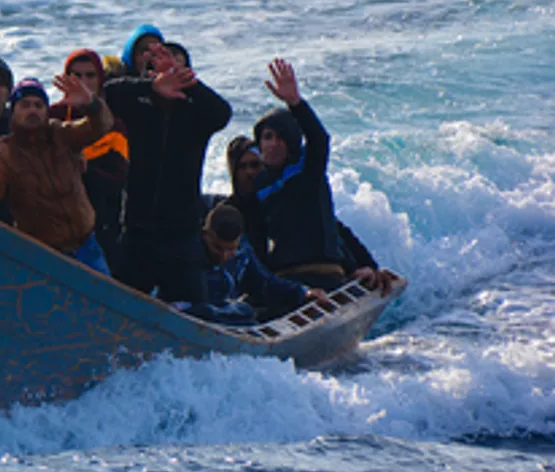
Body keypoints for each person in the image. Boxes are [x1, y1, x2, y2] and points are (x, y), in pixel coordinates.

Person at [102, 25, 232, 302]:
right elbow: (108, 92)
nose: (169, 74)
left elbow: (223, 113)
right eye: (161, 67)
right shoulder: (139, 108)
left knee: (194, 313)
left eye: (177, 68)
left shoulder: (196, 116)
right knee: (119, 308)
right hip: (137, 232)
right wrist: (152, 86)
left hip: (182, 235)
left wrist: (190, 84)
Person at [254, 58, 394, 293]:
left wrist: (295, 103)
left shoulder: (306, 171)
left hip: (323, 274)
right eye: (267, 137)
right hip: (283, 281)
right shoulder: (256, 184)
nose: (273, 145)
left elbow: (319, 139)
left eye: (281, 138)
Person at [0, 75, 114, 274]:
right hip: (45, 256)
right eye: (25, 105)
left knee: (106, 303)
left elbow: (102, 125)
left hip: (87, 246)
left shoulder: (60, 134)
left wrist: (91, 104)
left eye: (39, 105)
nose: (32, 110)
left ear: (47, 111)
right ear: (13, 112)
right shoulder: (5, 153)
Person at [176, 205, 332, 325]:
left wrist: (303, 292)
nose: (223, 255)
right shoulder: (187, 254)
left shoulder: (242, 255)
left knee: (246, 312)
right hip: (190, 312)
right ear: (205, 235)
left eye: (230, 249)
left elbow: (266, 282)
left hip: (226, 317)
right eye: (217, 247)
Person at [48, 48, 129, 267]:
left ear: (100, 80)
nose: (83, 81)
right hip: (52, 229)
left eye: (90, 75)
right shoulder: (50, 116)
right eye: (76, 75)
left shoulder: (114, 125)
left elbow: (117, 178)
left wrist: (83, 169)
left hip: (99, 230)